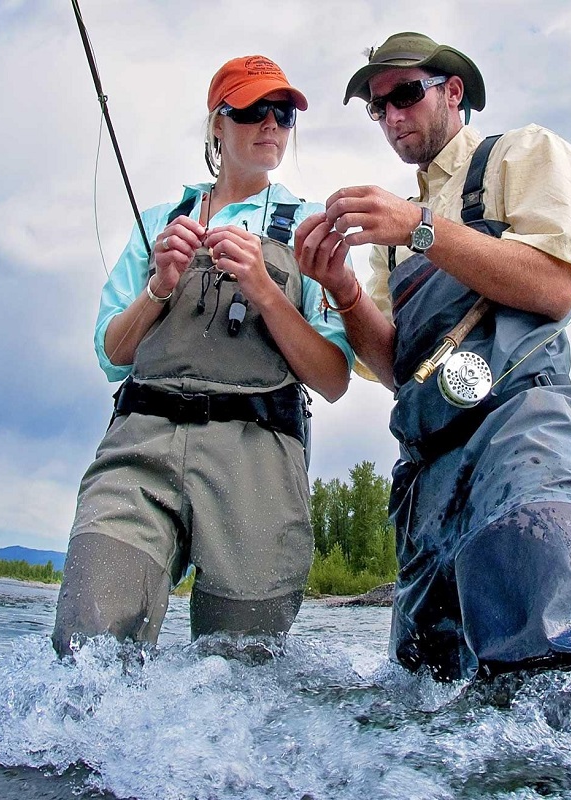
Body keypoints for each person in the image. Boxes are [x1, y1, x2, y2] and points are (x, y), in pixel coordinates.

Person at [294, 32, 571, 682]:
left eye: (404, 94)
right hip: (427, 478)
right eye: (378, 106)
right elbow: (396, 367)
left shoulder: (521, 154)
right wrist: (340, 290)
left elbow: (554, 285)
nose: (393, 117)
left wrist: (420, 227)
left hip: (520, 434)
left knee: (554, 657)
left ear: (453, 92)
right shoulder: (387, 244)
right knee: (429, 691)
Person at [52, 55, 353, 657]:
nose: (272, 125)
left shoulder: (312, 231)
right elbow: (112, 356)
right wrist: (159, 287)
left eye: (284, 114)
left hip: (259, 463)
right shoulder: (158, 224)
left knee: (239, 678)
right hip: (142, 444)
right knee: (89, 638)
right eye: (252, 110)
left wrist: (267, 292)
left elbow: (334, 377)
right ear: (217, 124)